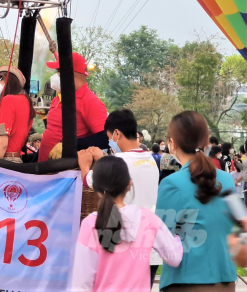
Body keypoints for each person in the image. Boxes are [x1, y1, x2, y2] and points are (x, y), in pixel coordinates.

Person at [71, 156, 182, 291]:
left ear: (97, 188)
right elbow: (174, 258)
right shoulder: (147, 218)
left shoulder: (90, 224)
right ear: (129, 185)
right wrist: (178, 238)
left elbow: (81, 284)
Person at [78, 109, 162, 286]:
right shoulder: (150, 160)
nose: (109, 142)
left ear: (117, 133)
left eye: (109, 137)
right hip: (150, 247)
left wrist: (86, 165)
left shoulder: (120, 163)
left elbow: (91, 181)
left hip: (125, 247)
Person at [156, 111, 237, 290]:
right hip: (226, 280)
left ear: (172, 143)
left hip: (185, 281)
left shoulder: (171, 184)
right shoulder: (227, 180)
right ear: (206, 141)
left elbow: (162, 240)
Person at [38, 52, 108, 162]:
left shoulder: (90, 101)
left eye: (59, 71)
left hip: (66, 173)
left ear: (72, 74)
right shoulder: (58, 98)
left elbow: (105, 137)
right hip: (46, 169)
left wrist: (68, 146)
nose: (56, 76)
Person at [0, 66, 34, 162]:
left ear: (5, 80)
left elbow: (3, 143)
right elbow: (3, 133)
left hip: (6, 159)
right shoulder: (26, 101)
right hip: (16, 158)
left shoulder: (8, 100)